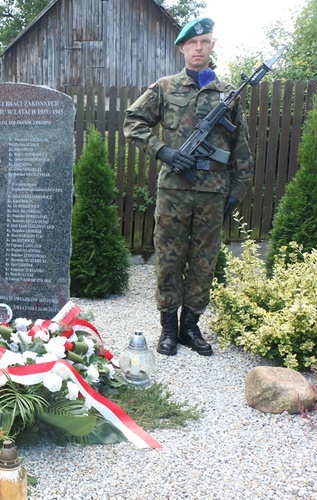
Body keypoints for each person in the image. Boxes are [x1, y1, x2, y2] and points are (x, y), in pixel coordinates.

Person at [122, 18, 253, 357]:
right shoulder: (164, 88)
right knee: (168, 258)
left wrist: (236, 193)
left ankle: (190, 327)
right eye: (192, 44)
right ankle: (168, 328)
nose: (198, 48)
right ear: (182, 48)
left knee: (204, 261)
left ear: (212, 46)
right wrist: (164, 151)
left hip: (213, 193)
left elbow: (241, 148)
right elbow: (132, 123)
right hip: (174, 192)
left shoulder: (227, 94)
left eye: (205, 42)